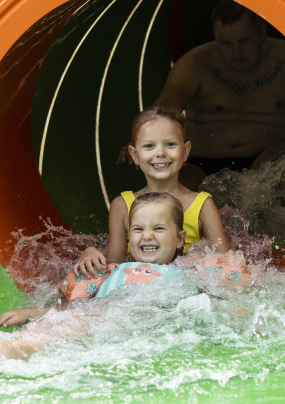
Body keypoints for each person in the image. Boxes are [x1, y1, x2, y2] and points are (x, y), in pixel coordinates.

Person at [0, 193, 247, 360]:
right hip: (104, 316)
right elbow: (67, 304)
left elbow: (229, 289)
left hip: (138, 319)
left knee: (84, 322)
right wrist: (31, 313)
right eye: (138, 229)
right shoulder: (111, 271)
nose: (147, 236)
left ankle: (22, 349)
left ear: (179, 239)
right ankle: (10, 346)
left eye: (158, 228)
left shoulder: (186, 270)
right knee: (61, 322)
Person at [138, 0, 285, 189]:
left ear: (261, 33)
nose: (237, 51)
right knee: (175, 181)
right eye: (226, 43)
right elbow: (167, 106)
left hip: (263, 159)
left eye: (244, 40)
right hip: (200, 163)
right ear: (215, 36)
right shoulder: (196, 63)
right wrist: (142, 135)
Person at [75, 105, 232, 278]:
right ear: (135, 155)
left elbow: (229, 266)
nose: (160, 153)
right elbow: (113, 270)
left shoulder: (201, 205)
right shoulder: (122, 206)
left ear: (185, 152)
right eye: (149, 146)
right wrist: (90, 253)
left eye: (170, 144)